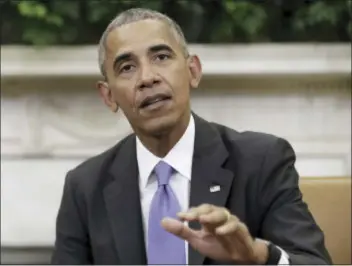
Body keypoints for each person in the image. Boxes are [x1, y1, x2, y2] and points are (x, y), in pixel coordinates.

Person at [51, 8, 332, 265]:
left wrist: (257, 256)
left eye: (161, 57)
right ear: (108, 96)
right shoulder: (85, 187)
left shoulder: (262, 160)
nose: (147, 78)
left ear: (193, 71)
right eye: (127, 68)